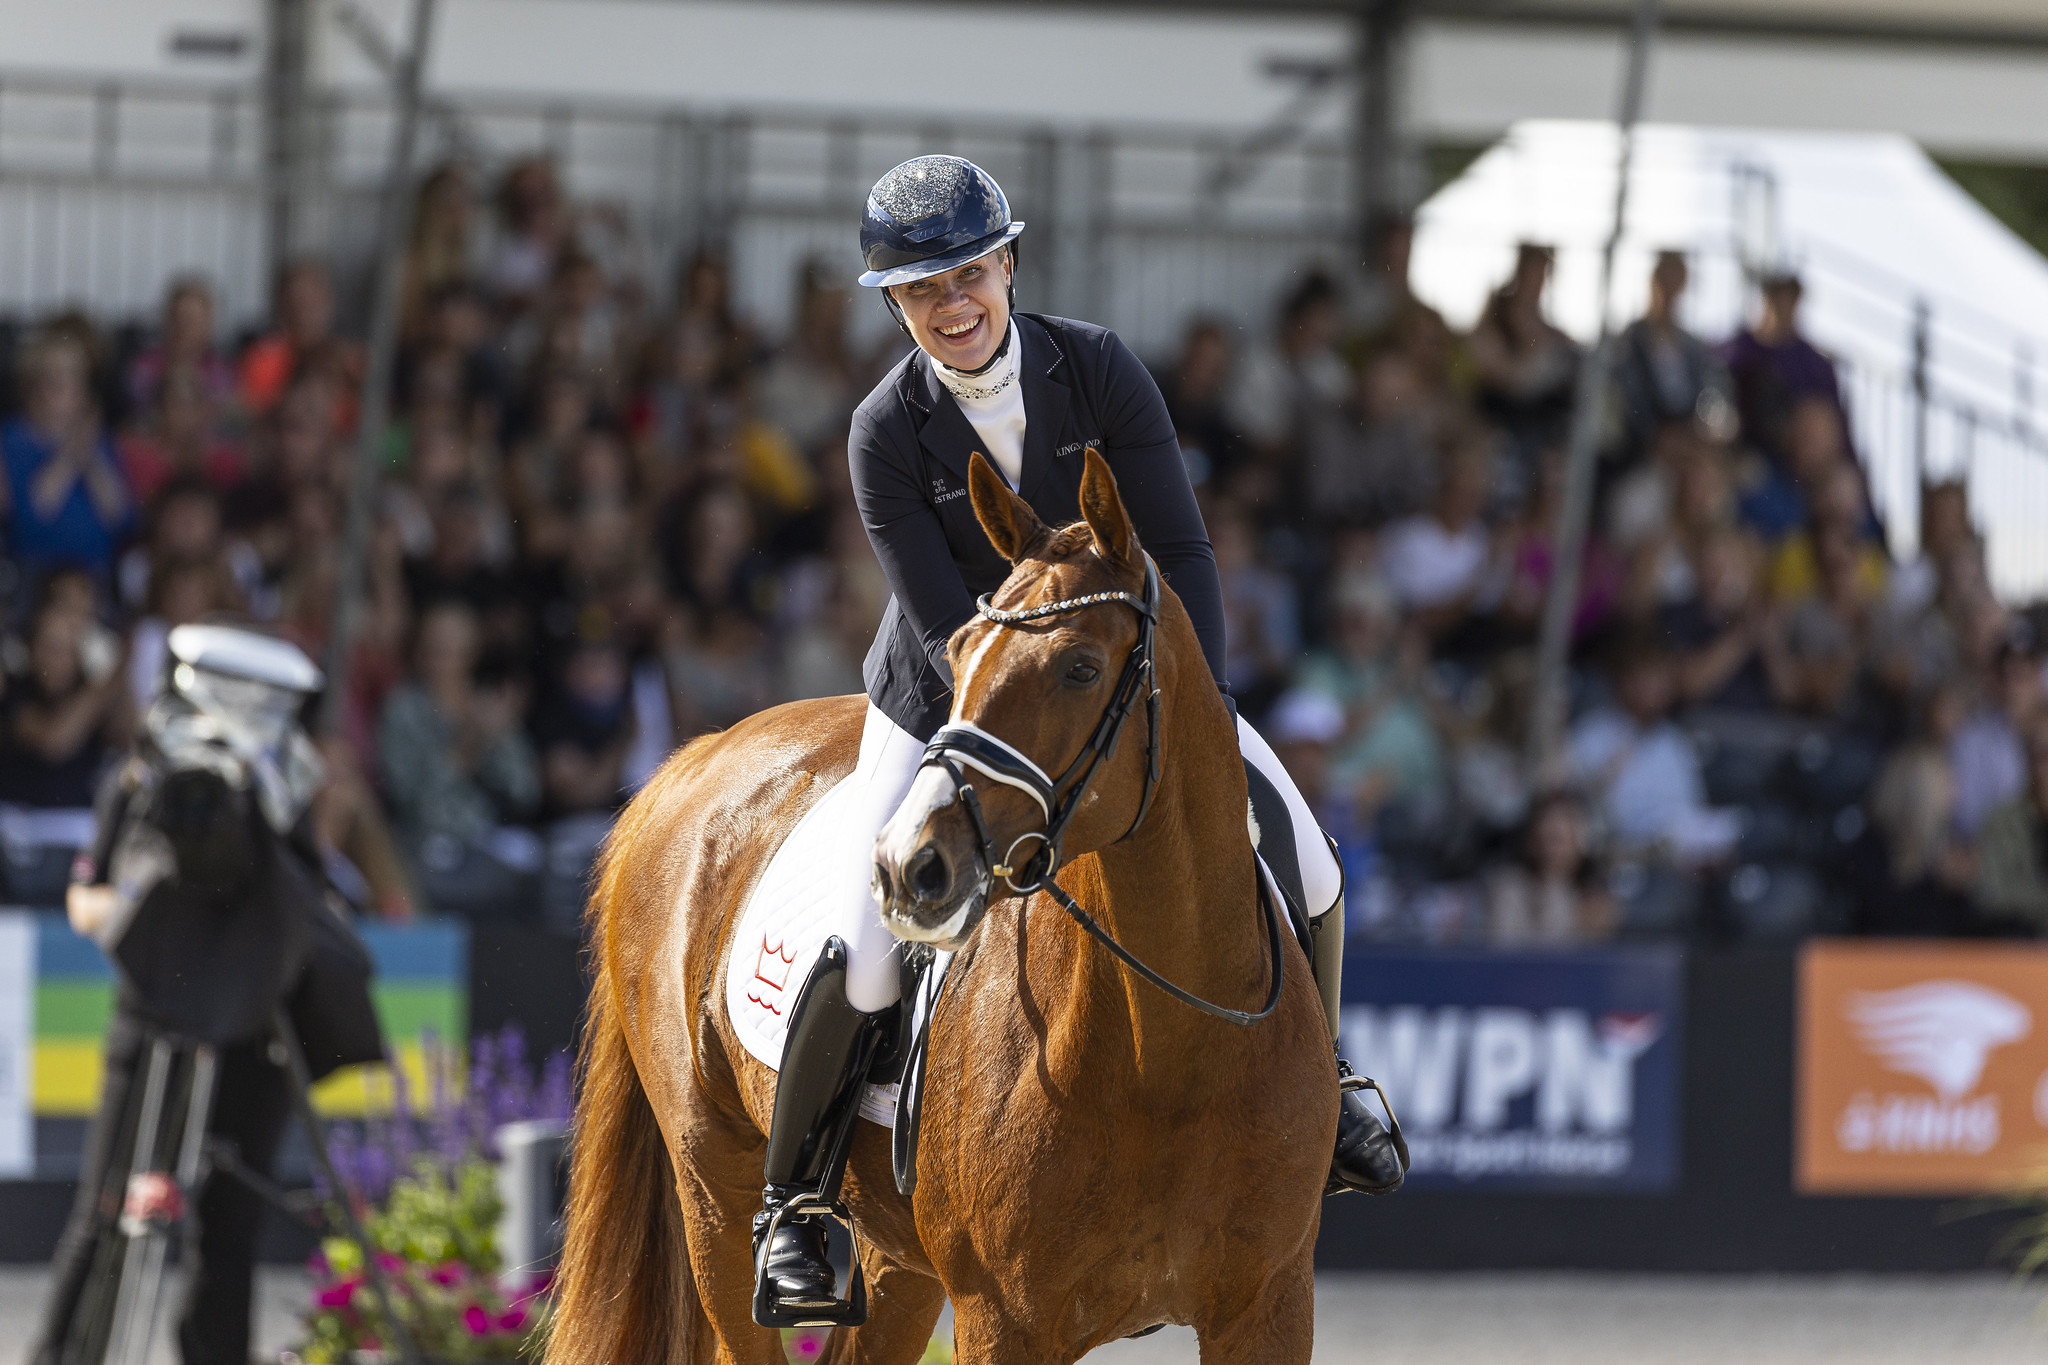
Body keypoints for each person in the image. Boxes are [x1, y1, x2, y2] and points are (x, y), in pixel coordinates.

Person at [750, 155, 1404, 1321]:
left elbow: (1182, 546)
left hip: (1141, 673)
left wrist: (1189, 701)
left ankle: (1330, 1084)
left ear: (1005, 261)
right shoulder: (881, 431)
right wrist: (1002, 721)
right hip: (954, 699)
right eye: (917, 291)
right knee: (869, 926)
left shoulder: (1095, 368)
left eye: (963, 273)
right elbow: (948, 623)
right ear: (895, 307)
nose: (949, 305)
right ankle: (794, 1205)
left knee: (1305, 853)